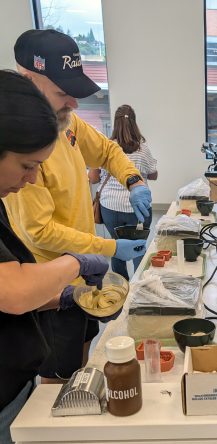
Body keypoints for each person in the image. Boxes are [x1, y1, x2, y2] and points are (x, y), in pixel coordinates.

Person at [4, 29, 152, 384]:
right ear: (28, 82)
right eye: (62, 93)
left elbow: (108, 151)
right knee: (57, 380)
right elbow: (38, 233)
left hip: (75, 282)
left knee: (83, 359)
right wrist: (104, 248)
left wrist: (134, 181)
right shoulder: (19, 151)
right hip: (49, 288)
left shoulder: (67, 125)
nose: (73, 103)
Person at [0, 70, 112, 443]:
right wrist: (77, 263)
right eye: (27, 166)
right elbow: (13, 290)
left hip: (16, 382)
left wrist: (65, 295)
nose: (31, 179)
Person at [89, 105, 158, 279]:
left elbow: (93, 178)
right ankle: (139, 287)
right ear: (134, 122)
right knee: (138, 246)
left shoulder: (106, 147)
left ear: (115, 123)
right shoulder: (143, 149)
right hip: (138, 208)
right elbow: (153, 174)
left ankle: (122, 287)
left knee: (115, 246)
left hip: (110, 207)